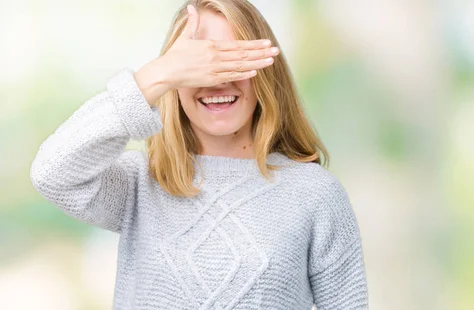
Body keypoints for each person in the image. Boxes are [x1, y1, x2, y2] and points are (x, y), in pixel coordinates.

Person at [30, 0, 369, 309]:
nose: (216, 81)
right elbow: (51, 173)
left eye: (231, 61)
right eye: (198, 65)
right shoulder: (140, 183)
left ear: (265, 71)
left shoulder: (316, 195)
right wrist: (154, 77)